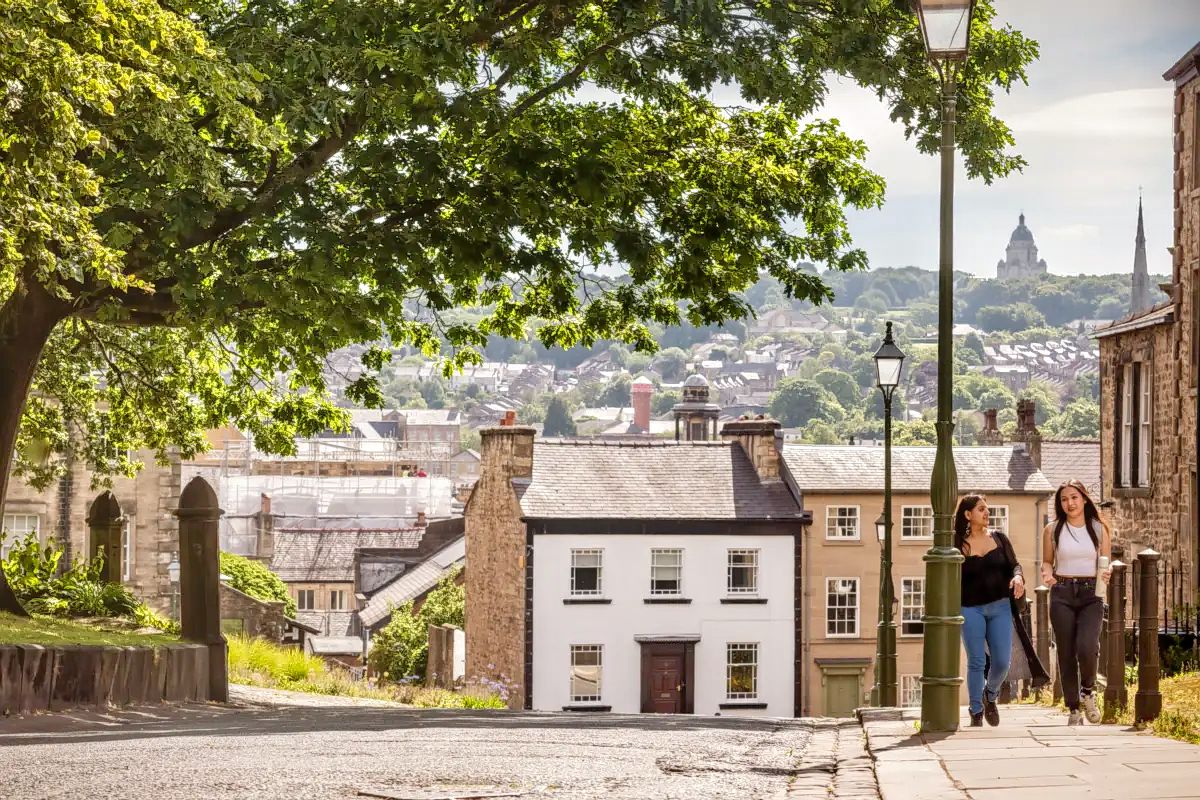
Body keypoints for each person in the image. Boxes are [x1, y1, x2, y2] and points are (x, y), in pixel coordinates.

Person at [1041, 480, 1112, 726]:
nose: (1069, 503)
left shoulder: (1098, 528)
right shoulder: (1052, 529)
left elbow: (1106, 561)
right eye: (1064, 499)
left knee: (1087, 644)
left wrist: (1108, 570)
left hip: (1091, 593)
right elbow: (1048, 561)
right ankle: (1073, 708)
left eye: (1073, 497)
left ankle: (1088, 691)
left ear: (1083, 498)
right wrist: (1047, 574)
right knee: (1066, 650)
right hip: (1062, 591)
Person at [956, 494, 1027, 727]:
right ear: (968, 515)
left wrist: (1017, 577)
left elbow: (1015, 564)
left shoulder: (999, 538)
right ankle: (976, 711)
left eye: (987, 509)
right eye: (981, 509)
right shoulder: (958, 544)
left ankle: (990, 694)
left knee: (1002, 662)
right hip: (970, 608)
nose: (987, 513)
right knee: (976, 661)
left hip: (1000, 607)